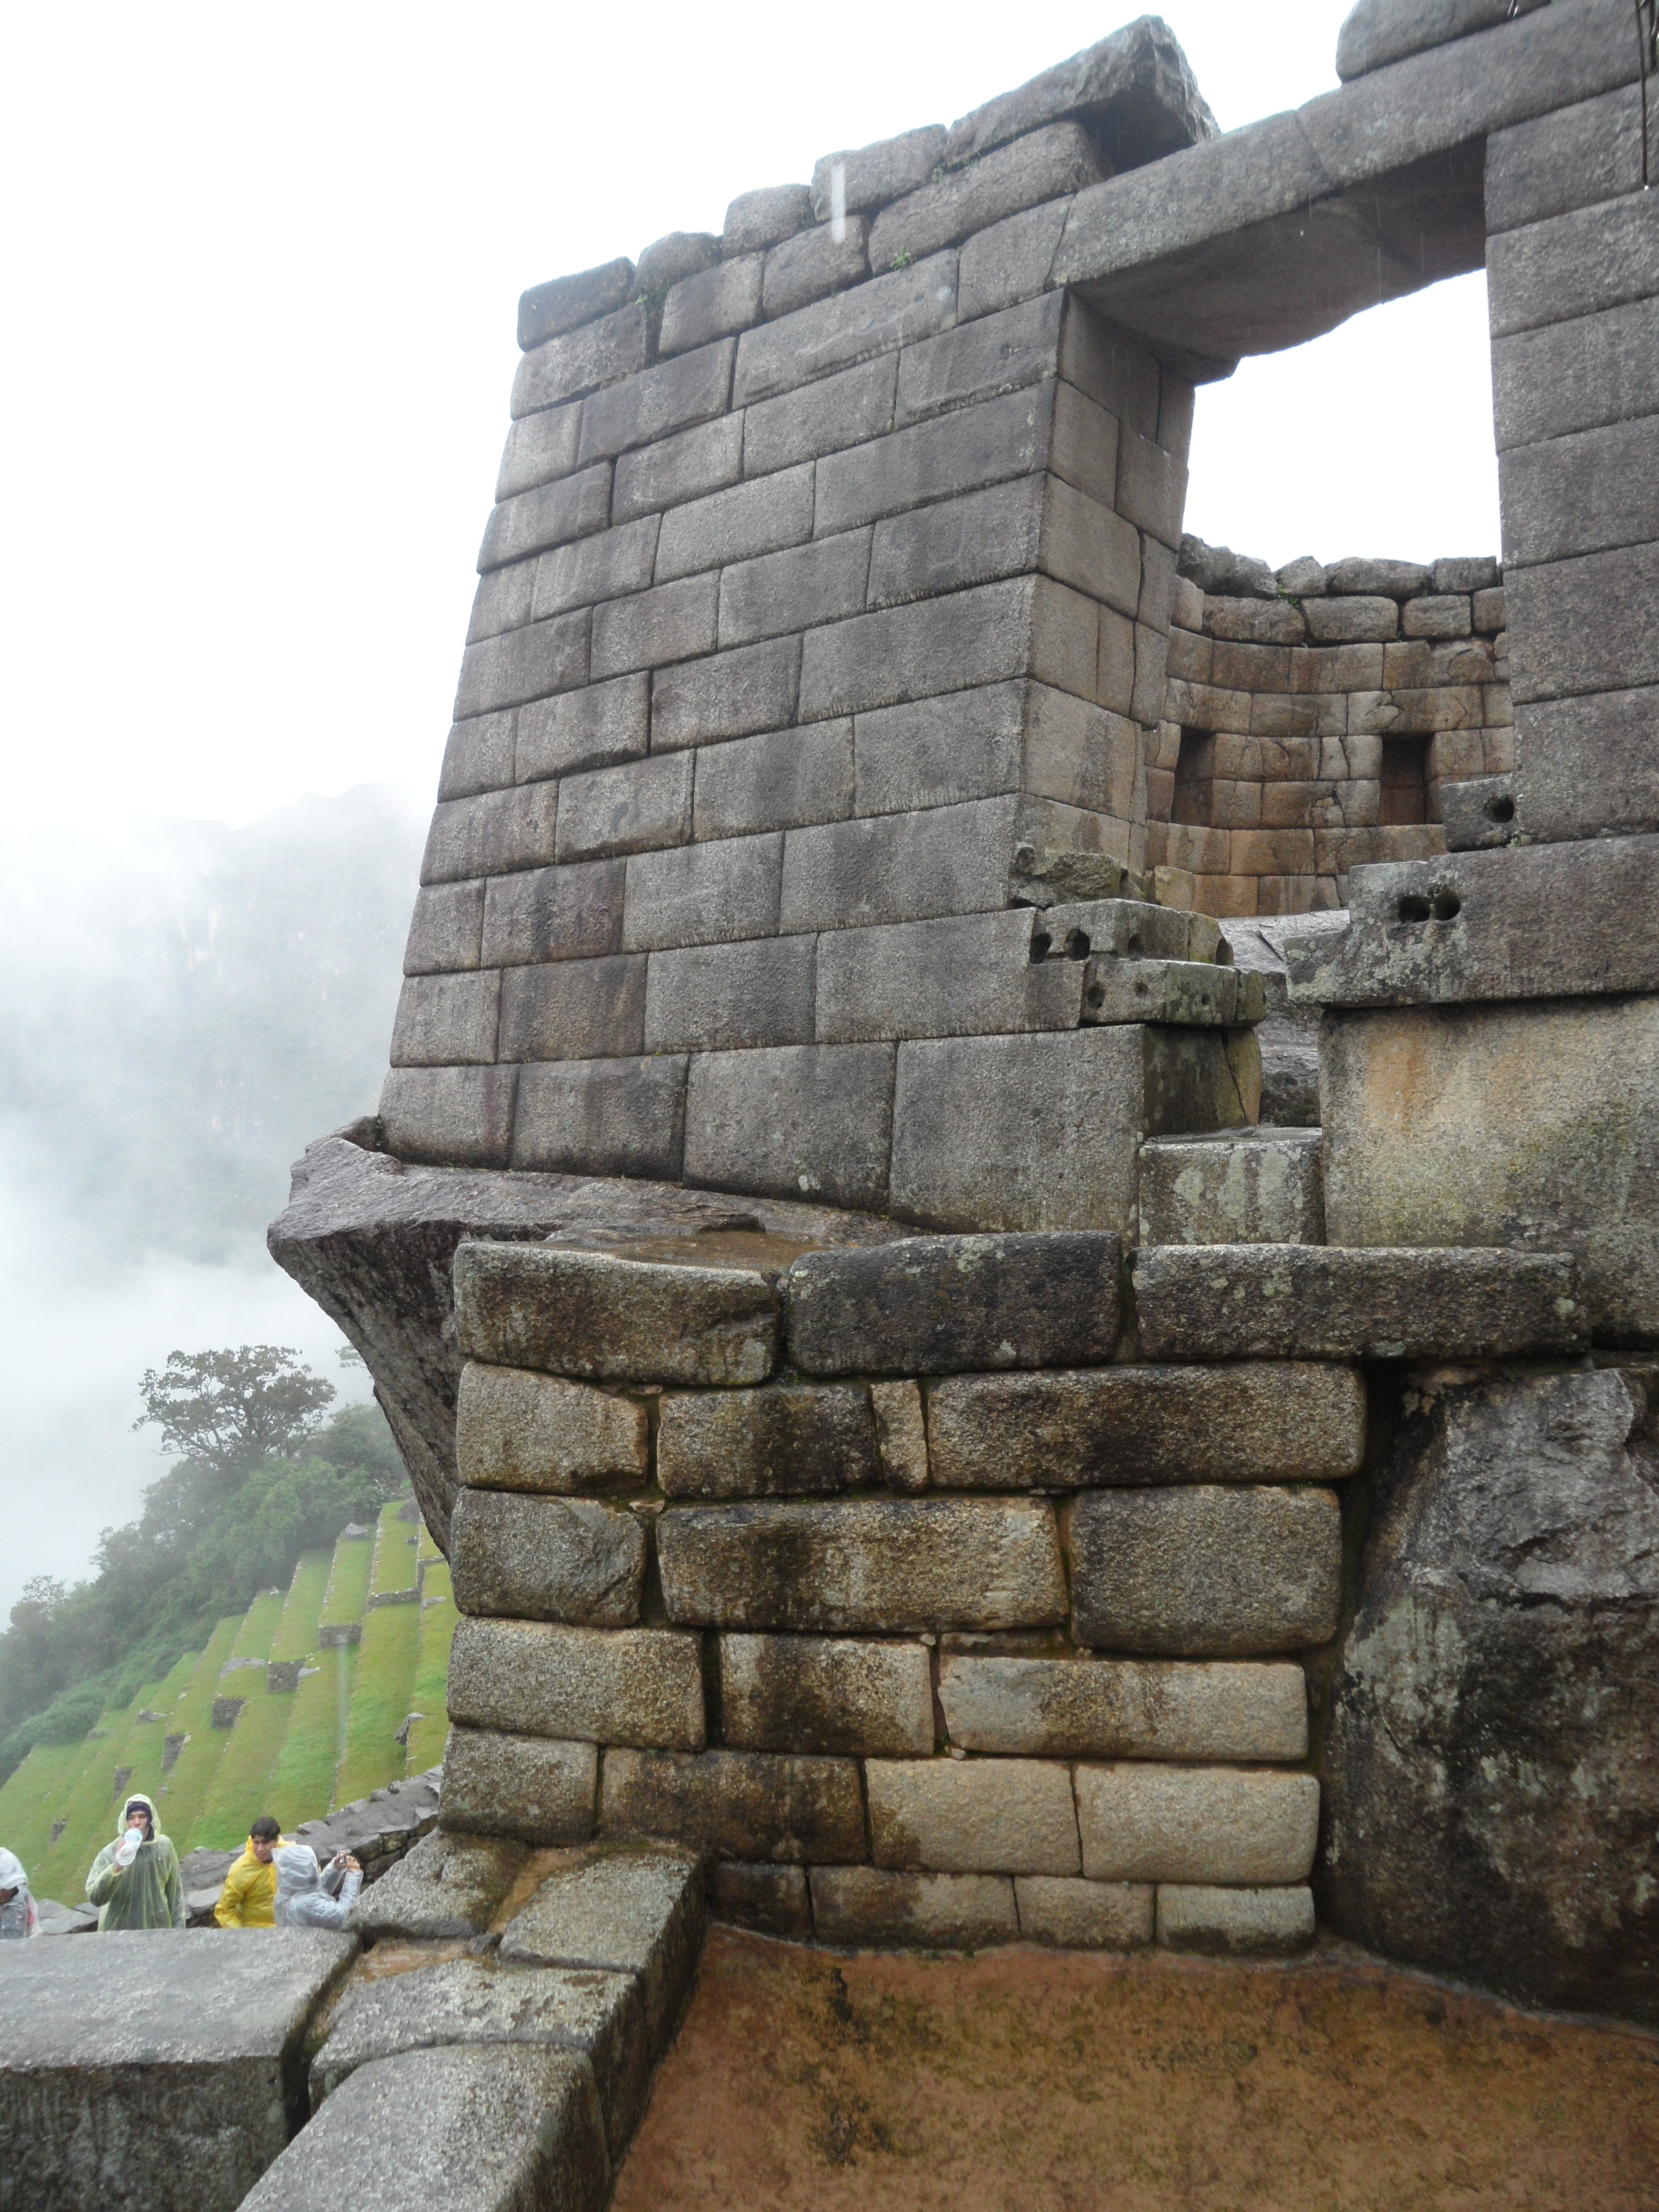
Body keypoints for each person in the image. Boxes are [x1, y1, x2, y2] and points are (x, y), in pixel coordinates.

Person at [85, 1793, 184, 1931]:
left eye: (142, 1817)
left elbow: (175, 1894)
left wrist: (179, 1932)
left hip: (158, 1931)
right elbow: (95, 1898)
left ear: (150, 1819)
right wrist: (117, 1866)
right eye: (131, 1818)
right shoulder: (110, 1852)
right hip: (118, 1933)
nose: (137, 1823)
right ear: (125, 1821)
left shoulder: (164, 1847)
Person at [215, 1816, 285, 1929]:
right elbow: (225, 1910)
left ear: (276, 1841)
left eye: (265, 1843)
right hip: (256, 1931)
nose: (260, 1849)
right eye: (256, 1843)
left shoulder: (288, 1855)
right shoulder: (241, 1870)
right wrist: (241, 1935)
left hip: (287, 1926)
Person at [272, 1843, 362, 1928]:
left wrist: (334, 1868)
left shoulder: (286, 1893)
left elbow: (314, 1890)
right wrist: (353, 1874)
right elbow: (344, 1915)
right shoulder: (305, 1904)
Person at [0, 1847, 39, 1938]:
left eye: (11, 1888)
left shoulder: (23, 1897)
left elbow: (34, 1930)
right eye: (3, 1889)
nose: (7, 1893)